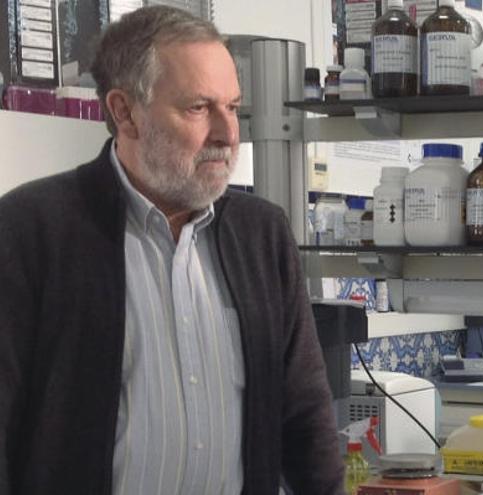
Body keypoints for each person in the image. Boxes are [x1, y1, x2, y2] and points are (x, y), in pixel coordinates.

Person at [0, 6, 343, 494]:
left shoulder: (262, 235)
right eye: (198, 109)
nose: (227, 134)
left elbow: (307, 419)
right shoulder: (32, 231)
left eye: (234, 107)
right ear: (125, 112)